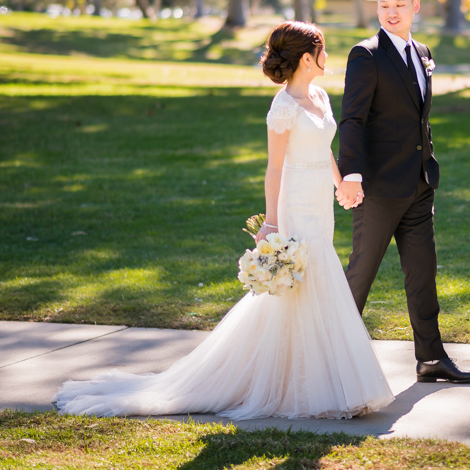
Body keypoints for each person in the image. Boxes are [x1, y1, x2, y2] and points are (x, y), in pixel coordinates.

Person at [53, 21, 394, 419]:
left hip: (320, 202)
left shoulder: (319, 95)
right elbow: (274, 168)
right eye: (323, 50)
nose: (328, 57)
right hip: (295, 203)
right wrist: (270, 222)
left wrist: (340, 184)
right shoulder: (282, 107)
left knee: (316, 279)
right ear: (307, 58)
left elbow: (324, 148)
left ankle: (317, 381)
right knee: (299, 282)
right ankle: (299, 387)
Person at [336, 0, 470, 384]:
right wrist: (351, 174)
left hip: (419, 185)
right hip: (380, 190)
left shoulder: (422, 51)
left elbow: (419, 118)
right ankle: (329, 361)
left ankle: (431, 358)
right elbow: (352, 120)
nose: (391, 12)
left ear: (415, 5)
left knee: (423, 274)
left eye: (400, 4)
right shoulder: (365, 55)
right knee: (359, 279)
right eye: (383, 5)